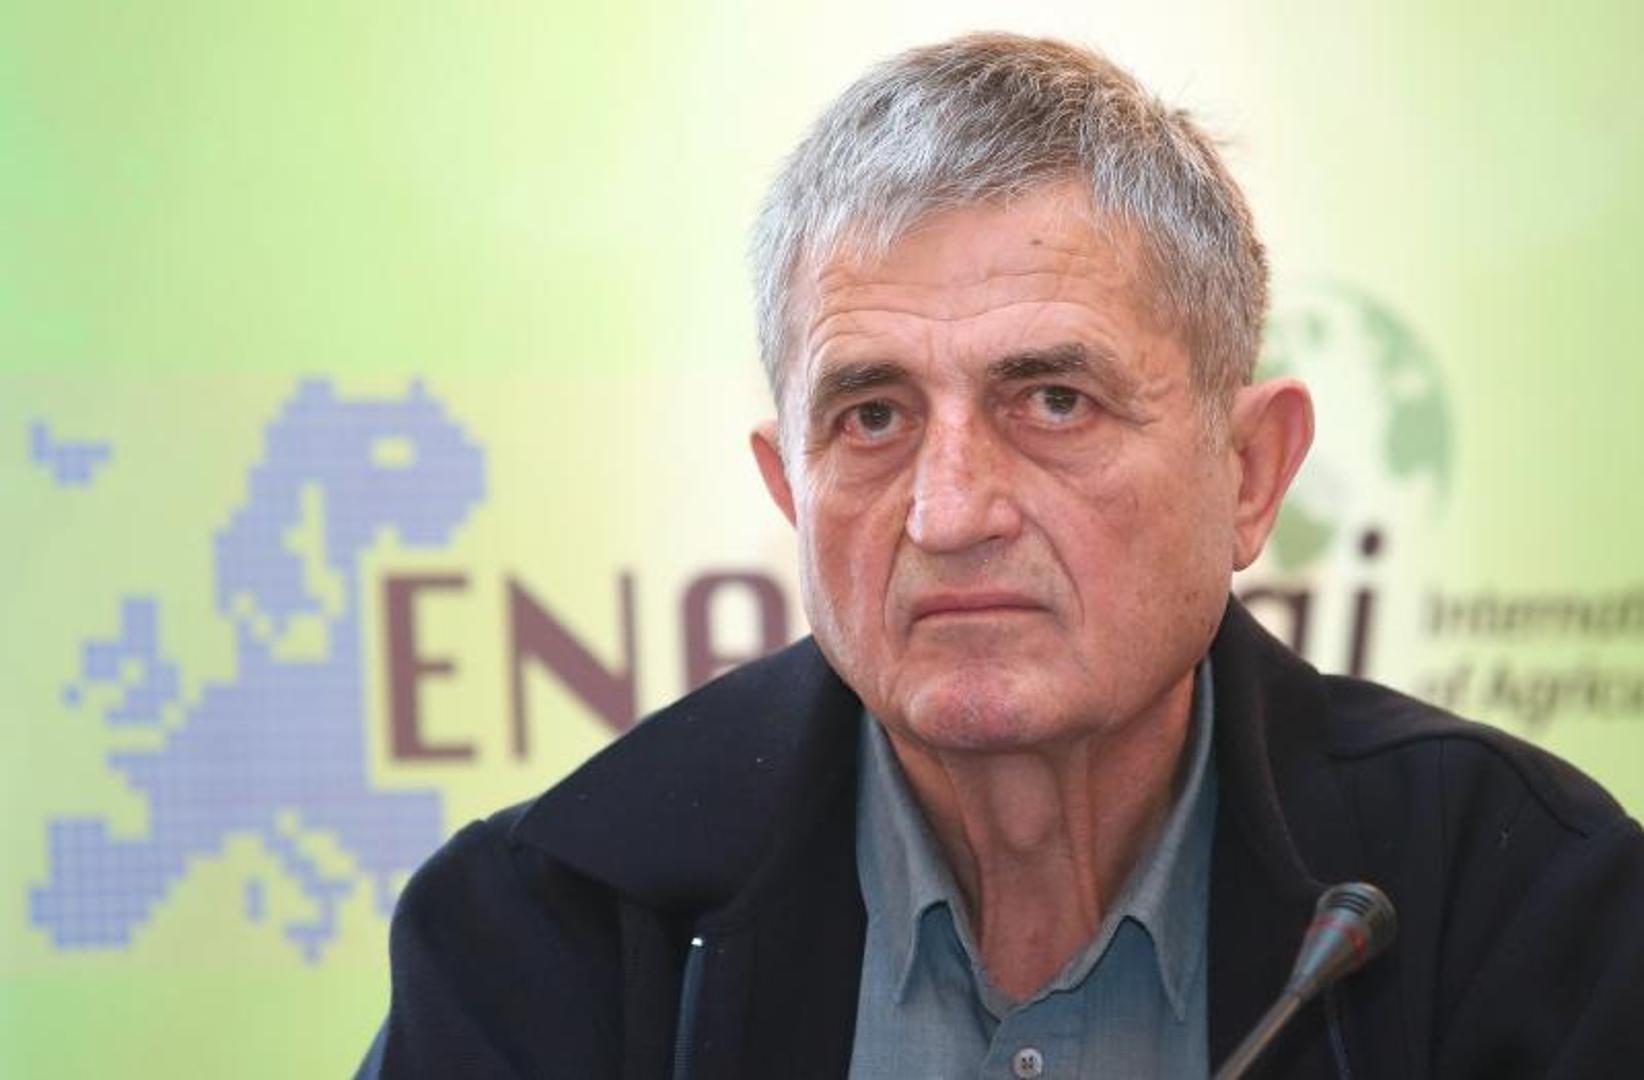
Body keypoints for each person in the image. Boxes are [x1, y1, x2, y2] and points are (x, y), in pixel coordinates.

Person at [361, 33, 1644, 1078]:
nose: (950, 510)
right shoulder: (549, 927)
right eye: (873, 416)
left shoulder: (1521, 904)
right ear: (790, 491)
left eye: (1053, 401)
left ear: (1250, 473)